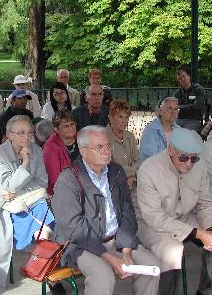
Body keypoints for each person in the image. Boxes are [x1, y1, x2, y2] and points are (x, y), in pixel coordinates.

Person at [52, 125, 159, 295]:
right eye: (99, 147)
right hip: (82, 245)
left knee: (151, 265)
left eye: (108, 145)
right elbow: (74, 229)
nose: (107, 151)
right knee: (103, 276)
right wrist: (108, 257)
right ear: (83, 151)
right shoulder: (69, 179)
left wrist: (126, 250)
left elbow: (127, 213)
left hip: (116, 239)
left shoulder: (116, 171)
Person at [136, 128, 212, 295]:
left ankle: (207, 292)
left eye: (193, 158)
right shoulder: (149, 169)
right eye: (183, 158)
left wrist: (209, 229)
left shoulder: (199, 166)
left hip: (185, 219)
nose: (189, 163)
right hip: (152, 225)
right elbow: (155, 218)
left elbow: (205, 203)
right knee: (173, 251)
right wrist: (197, 233)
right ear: (170, 149)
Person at [0, 115, 53, 287]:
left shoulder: (36, 150)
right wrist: (25, 163)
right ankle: (40, 260)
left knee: (44, 213)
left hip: (31, 200)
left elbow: (42, 181)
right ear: (10, 135)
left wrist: (17, 190)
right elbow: (7, 187)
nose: (27, 137)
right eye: (21, 133)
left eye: (30, 133)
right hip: (7, 206)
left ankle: (39, 261)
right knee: (41, 215)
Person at [43, 110, 79, 195]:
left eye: (72, 124)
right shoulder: (50, 148)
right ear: (56, 129)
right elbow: (55, 180)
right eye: (66, 126)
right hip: (63, 192)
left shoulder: (82, 137)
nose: (71, 128)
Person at [106, 99, 139, 190]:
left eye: (126, 117)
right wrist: (130, 174)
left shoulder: (130, 136)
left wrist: (131, 177)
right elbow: (108, 166)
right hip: (112, 185)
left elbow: (137, 161)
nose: (124, 121)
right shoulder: (103, 137)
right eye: (120, 117)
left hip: (133, 182)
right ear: (111, 118)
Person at [139, 97, 181, 162]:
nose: (173, 112)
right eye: (169, 109)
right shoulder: (150, 131)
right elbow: (151, 160)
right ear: (160, 111)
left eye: (175, 109)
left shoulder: (179, 130)